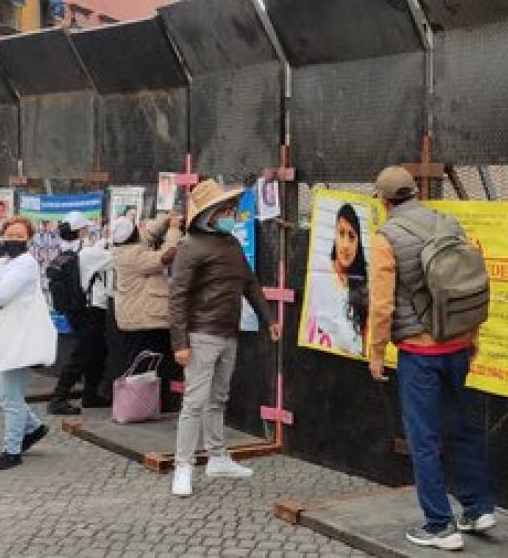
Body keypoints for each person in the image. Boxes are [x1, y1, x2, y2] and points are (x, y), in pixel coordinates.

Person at [366, 166, 495, 551]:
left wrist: (375, 351)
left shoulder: (385, 237)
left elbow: (382, 304)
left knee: (424, 438)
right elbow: (466, 285)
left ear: (384, 201)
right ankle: (477, 507)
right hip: (457, 345)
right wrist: (472, 336)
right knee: (462, 428)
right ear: (414, 191)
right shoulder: (446, 222)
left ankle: (440, 525)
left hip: (419, 353)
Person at [169, 180, 281, 497]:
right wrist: (180, 343)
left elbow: (250, 284)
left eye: (231, 209)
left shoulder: (229, 243)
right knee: (194, 403)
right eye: (226, 209)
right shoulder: (191, 246)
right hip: (201, 335)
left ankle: (217, 457)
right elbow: (177, 297)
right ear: (210, 214)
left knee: (218, 399)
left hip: (227, 334)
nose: (231, 213)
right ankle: (183, 467)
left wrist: (269, 319)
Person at [0, 217, 53, 471]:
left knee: (10, 396)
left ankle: (12, 450)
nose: (14, 240)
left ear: (28, 239)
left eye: (20, 236)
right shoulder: (0, 263)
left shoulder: (27, 263)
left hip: (18, 338)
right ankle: (34, 427)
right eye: (10, 234)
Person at [111, 212, 184, 413]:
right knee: (150, 365)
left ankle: (146, 405)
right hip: (146, 319)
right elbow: (167, 256)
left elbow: (145, 235)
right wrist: (174, 230)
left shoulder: (121, 249)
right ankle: (142, 407)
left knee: (138, 363)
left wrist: (165, 219)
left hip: (133, 317)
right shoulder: (135, 256)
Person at [48, 211, 113, 415]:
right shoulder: (87, 253)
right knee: (82, 354)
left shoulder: (64, 252)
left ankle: (90, 394)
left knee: (96, 351)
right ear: (81, 231)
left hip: (75, 310)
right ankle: (58, 397)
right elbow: (116, 259)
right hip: (90, 310)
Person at [306, 203, 369, 356]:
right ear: (334, 235)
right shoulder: (320, 274)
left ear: (358, 243)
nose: (346, 245)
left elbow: (365, 331)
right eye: (341, 233)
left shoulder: (361, 282)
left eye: (352, 236)